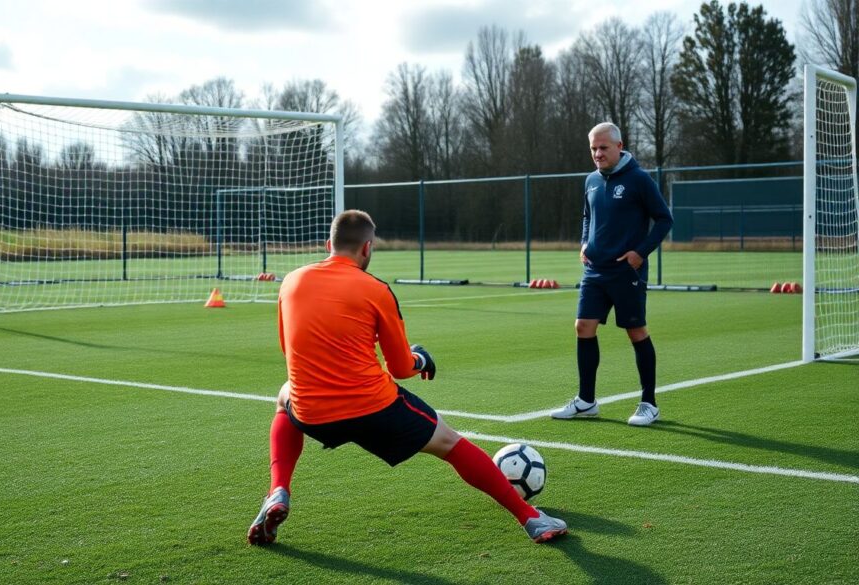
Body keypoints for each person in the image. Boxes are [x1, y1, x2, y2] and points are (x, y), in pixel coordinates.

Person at [248, 209, 567, 546]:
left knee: (285, 395)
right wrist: (421, 358)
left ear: (329, 244)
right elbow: (400, 368)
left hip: (312, 412)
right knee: (450, 444)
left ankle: (278, 489)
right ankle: (530, 518)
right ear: (368, 248)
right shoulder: (376, 289)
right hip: (373, 409)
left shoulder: (292, 280)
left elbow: (291, 351)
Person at [551, 122, 673, 426]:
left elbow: (663, 219)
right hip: (594, 271)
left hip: (625, 271)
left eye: (603, 147)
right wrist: (583, 242)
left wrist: (639, 253)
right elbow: (587, 216)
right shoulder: (590, 180)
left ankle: (649, 403)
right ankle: (586, 401)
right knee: (582, 327)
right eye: (593, 148)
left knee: (636, 332)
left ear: (620, 146)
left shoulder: (639, 180)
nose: (597, 153)